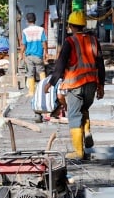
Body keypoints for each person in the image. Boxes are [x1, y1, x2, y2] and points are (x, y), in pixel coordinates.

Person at [44, 10, 105, 160]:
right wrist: (101, 85)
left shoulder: (69, 42)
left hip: (75, 84)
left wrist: (51, 83)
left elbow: (60, 65)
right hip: (91, 83)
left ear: (70, 26)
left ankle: (78, 152)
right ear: (83, 25)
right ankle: (87, 131)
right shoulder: (93, 40)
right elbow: (100, 64)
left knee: (74, 115)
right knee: (84, 108)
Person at [20, 13, 48, 96]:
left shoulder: (25, 31)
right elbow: (44, 42)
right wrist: (46, 52)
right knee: (41, 72)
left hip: (29, 56)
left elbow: (23, 44)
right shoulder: (41, 29)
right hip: (38, 55)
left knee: (30, 73)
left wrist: (21, 54)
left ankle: (31, 92)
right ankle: (44, 91)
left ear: (27, 21)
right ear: (35, 19)